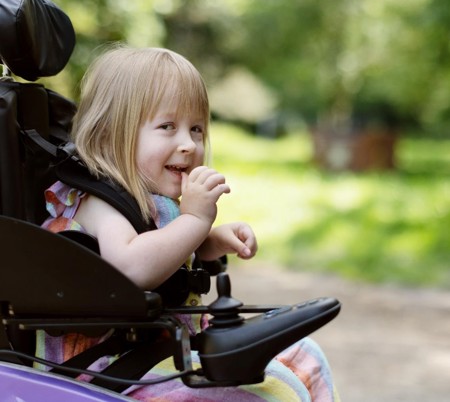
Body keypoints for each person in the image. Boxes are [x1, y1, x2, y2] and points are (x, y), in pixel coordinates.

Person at [39, 45, 340, 401]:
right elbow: (131, 268)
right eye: (167, 126)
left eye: (196, 129)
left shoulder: (153, 200)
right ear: (110, 134)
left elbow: (164, 251)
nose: (188, 144)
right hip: (109, 370)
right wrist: (195, 220)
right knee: (270, 387)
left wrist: (207, 241)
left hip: (162, 351)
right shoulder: (96, 203)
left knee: (306, 355)